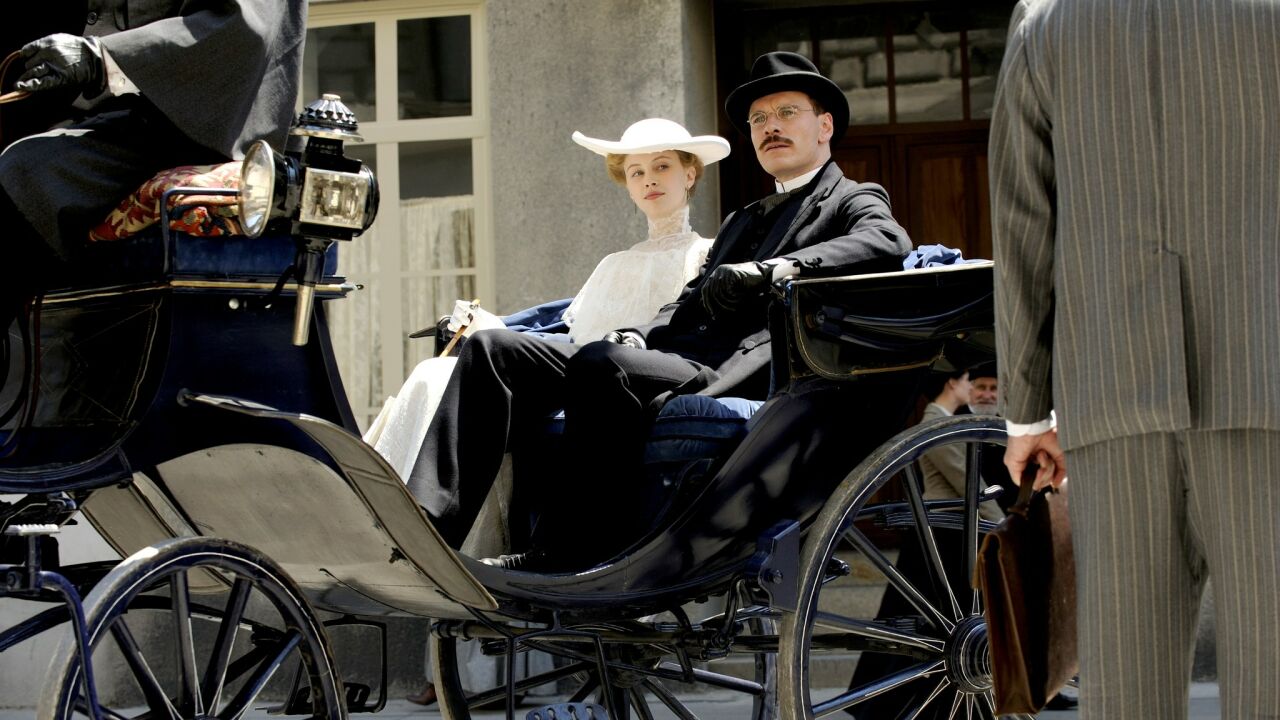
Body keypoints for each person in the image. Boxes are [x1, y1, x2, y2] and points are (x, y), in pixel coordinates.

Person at [405, 50, 911, 570]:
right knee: (495, 349)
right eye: (759, 119)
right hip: (674, 356)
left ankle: (564, 555)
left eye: (786, 113)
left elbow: (888, 240)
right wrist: (639, 333)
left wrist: (775, 269)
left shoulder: (850, 199)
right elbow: (687, 301)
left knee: (602, 364)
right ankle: (425, 532)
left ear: (824, 126)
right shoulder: (741, 221)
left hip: (738, 374)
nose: (770, 127)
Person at [991, 1, 1280, 717]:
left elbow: (1023, 223)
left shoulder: (1046, 23)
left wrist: (1026, 412)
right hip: (1264, 377)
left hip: (1110, 392)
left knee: (1127, 691)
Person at [365, 118, 726, 489]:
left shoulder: (708, 254)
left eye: (662, 166)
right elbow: (574, 337)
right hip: (579, 370)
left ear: (689, 174)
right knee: (435, 372)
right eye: (637, 172)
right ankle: (404, 499)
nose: (649, 180)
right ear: (628, 186)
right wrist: (497, 326)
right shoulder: (613, 265)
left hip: (636, 375)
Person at [0, 1, 306, 315]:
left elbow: (244, 29)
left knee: (23, 174)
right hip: (92, 120)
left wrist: (102, 57)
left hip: (199, 126)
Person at [919, 367, 1004, 524]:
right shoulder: (936, 424)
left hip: (955, 517)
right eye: (966, 380)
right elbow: (964, 478)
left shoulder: (945, 421)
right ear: (952, 383)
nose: (970, 386)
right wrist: (999, 521)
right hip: (945, 520)